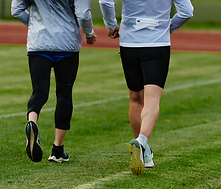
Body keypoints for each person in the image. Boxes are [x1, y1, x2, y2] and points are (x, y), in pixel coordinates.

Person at [99, 0, 193, 174]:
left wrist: (111, 25)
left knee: (135, 98)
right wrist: (169, 27)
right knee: (152, 98)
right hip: (156, 43)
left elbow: (105, 1)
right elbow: (187, 11)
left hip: (129, 43)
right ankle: (142, 141)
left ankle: (144, 152)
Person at [11, 0, 97, 163]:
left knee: (39, 91)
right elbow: (83, 13)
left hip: (39, 42)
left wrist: (34, 24)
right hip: (67, 43)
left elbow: (16, 10)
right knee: (64, 94)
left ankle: (32, 122)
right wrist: (89, 33)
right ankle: (58, 149)